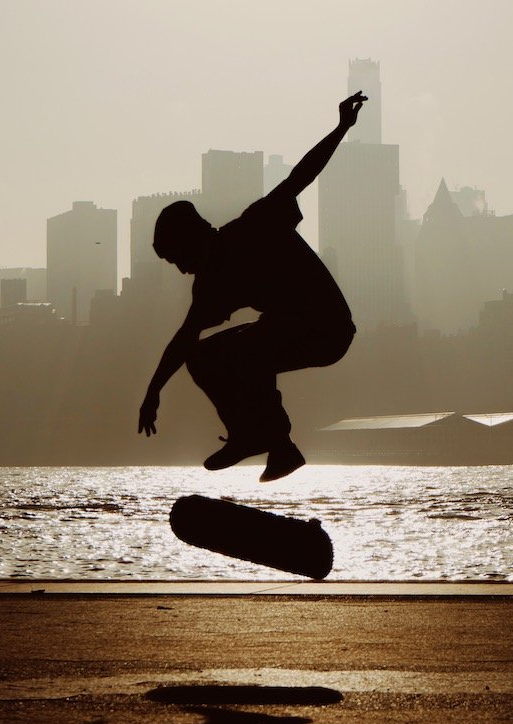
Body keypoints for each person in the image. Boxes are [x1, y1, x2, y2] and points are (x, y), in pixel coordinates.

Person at [138, 92, 365, 482]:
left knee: (246, 351)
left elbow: (302, 176)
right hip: (289, 330)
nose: (180, 270)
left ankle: (262, 437)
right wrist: (153, 390)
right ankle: (277, 447)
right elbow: (184, 340)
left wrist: (341, 127)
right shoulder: (210, 286)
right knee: (205, 357)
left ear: (194, 240)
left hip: (328, 327)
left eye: (177, 259)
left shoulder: (255, 225)